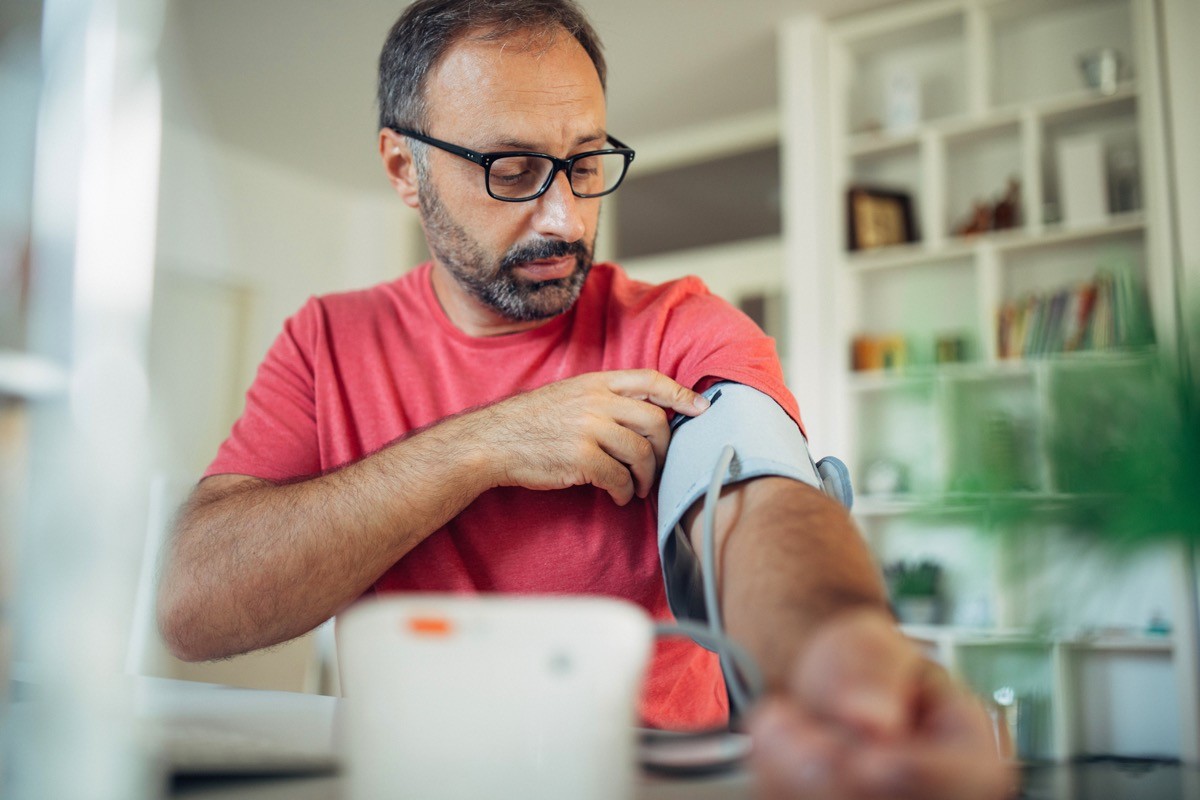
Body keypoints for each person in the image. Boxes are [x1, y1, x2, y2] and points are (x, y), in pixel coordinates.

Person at [157, 1, 1012, 796]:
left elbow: (759, 503)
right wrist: (485, 446)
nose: (564, 216)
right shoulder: (328, 342)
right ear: (404, 169)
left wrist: (840, 646)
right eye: (514, 168)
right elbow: (192, 606)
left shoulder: (683, 325)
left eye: (587, 161)